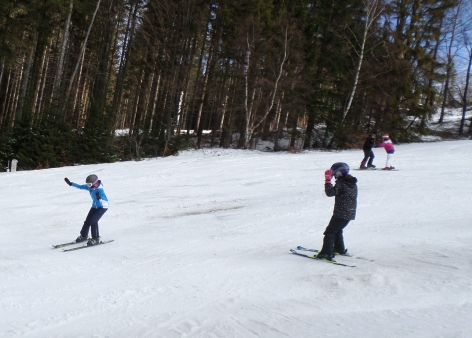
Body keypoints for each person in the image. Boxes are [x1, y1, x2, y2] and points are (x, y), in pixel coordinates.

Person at [317, 162, 358, 261]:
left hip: (341, 213)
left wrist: (327, 181)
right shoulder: (351, 183)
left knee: (330, 232)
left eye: (334, 173)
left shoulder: (341, 183)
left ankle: (327, 253)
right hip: (349, 213)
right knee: (337, 230)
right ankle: (339, 249)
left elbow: (330, 193)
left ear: (338, 173)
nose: (333, 175)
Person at [64, 174, 109, 246]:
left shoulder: (99, 189)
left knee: (93, 221)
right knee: (87, 221)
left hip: (102, 207)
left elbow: (103, 199)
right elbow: (80, 186)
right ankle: (83, 236)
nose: (88, 185)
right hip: (94, 206)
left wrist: (99, 198)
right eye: (87, 184)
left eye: (89, 184)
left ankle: (96, 238)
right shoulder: (90, 187)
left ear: (94, 183)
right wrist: (71, 184)